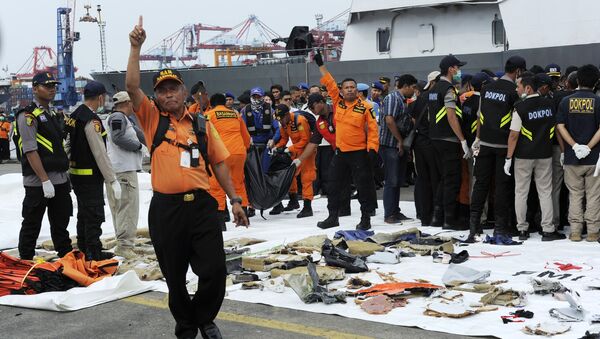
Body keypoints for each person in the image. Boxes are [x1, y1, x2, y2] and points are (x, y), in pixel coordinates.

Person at [126, 16, 248, 339]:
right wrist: (135, 47)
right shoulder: (152, 119)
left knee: (215, 269)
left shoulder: (201, 125)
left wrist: (235, 200)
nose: (168, 95)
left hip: (202, 208)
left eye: (173, 88)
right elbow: (131, 87)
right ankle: (187, 324)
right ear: (157, 96)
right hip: (167, 211)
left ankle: (205, 317)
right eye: (162, 91)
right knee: (174, 276)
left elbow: (220, 163)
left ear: (184, 91)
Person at [315, 50, 378, 230]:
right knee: (333, 185)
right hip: (341, 153)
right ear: (342, 91)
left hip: (359, 154)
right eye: (346, 87)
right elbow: (329, 83)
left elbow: (373, 130)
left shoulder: (366, 107)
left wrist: (372, 149)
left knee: (363, 188)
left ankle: (365, 218)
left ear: (357, 90)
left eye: (352, 87)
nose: (349, 89)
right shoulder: (338, 102)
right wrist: (321, 65)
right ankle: (333, 217)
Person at [14, 72, 72, 260]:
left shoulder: (52, 114)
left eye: (53, 85)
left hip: (59, 179)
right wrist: (45, 180)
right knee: (32, 224)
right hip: (39, 182)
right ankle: (25, 260)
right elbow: (30, 151)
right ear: (34, 88)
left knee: (61, 223)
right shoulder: (28, 116)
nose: (52, 89)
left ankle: (66, 259)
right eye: (47, 86)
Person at [467, 56, 525, 241]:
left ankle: (474, 227)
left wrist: (477, 138)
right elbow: (516, 123)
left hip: (484, 144)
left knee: (480, 184)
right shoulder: (513, 92)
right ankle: (500, 228)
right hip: (503, 146)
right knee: (502, 187)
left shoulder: (486, 88)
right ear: (518, 71)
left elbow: (479, 115)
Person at [505, 76, 565, 241]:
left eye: (519, 87)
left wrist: (508, 158)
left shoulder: (520, 107)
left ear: (528, 89)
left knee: (521, 191)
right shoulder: (549, 105)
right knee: (545, 192)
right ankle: (548, 229)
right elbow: (557, 129)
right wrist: (563, 150)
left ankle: (522, 229)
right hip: (545, 154)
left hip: (523, 156)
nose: (517, 90)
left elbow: (513, 135)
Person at [65, 81, 120, 261]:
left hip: (77, 175)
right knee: (94, 215)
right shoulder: (91, 120)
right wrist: (112, 179)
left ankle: (83, 248)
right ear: (100, 97)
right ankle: (93, 252)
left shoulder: (74, 116)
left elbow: (67, 145)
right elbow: (99, 152)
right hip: (90, 177)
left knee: (84, 214)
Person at [556, 64, 600, 243]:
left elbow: (560, 126)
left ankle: (575, 231)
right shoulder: (598, 101)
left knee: (575, 195)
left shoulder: (566, 101)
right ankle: (593, 232)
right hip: (594, 158)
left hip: (572, 158)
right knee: (594, 195)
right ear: (597, 82)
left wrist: (574, 146)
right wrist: (588, 147)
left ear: (578, 81)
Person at [427, 54, 471, 231]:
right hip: (448, 140)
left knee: (442, 179)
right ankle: (449, 220)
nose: (459, 71)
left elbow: (432, 115)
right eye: (457, 67)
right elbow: (451, 116)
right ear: (451, 69)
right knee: (452, 180)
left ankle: (437, 217)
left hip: (434, 138)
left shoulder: (433, 88)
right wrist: (462, 140)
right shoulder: (449, 89)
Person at [105, 91, 146, 259]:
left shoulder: (121, 118)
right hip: (124, 171)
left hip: (118, 170)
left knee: (120, 208)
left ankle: (123, 244)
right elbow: (118, 137)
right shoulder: (118, 118)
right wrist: (138, 147)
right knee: (128, 208)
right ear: (128, 103)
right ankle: (125, 247)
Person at [205, 93, 251, 229]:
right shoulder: (235, 114)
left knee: (216, 184)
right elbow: (246, 136)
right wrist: (244, 148)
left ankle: (220, 222)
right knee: (238, 183)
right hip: (238, 152)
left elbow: (206, 135)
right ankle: (244, 215)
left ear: (212, 104)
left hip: (221, 154)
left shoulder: (210, 114)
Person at [379, 74, 418, 223]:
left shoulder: (401, 100)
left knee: (397, 180)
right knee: (391, 180)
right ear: (406, 86)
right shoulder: (393, 98)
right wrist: (400, 140)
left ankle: (395, 211)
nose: (414, 91)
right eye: (413, 88)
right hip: (390, 145)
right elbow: (389, 120)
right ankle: (389, 214)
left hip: (395, 146)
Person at [273, 104, 316, 218]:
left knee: (306, 177)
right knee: (290, 174)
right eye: (278, 119)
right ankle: (293, 200)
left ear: (287, 115)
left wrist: (289, 148)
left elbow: (305, 140)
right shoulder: (284, 123)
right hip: (296, 150)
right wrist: (277, 147)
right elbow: (284, 138)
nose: (280, 121)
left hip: (307, 151)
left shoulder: (299, 120)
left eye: (282, 118)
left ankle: (308, 207)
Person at [411, 71, 441, 226]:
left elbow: (412, 118)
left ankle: (424, 216)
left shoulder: (418, 100)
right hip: (432, 142)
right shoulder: (435, 97)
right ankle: (436, 217)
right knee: (435, 179)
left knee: (422, 180)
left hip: (418, 143)